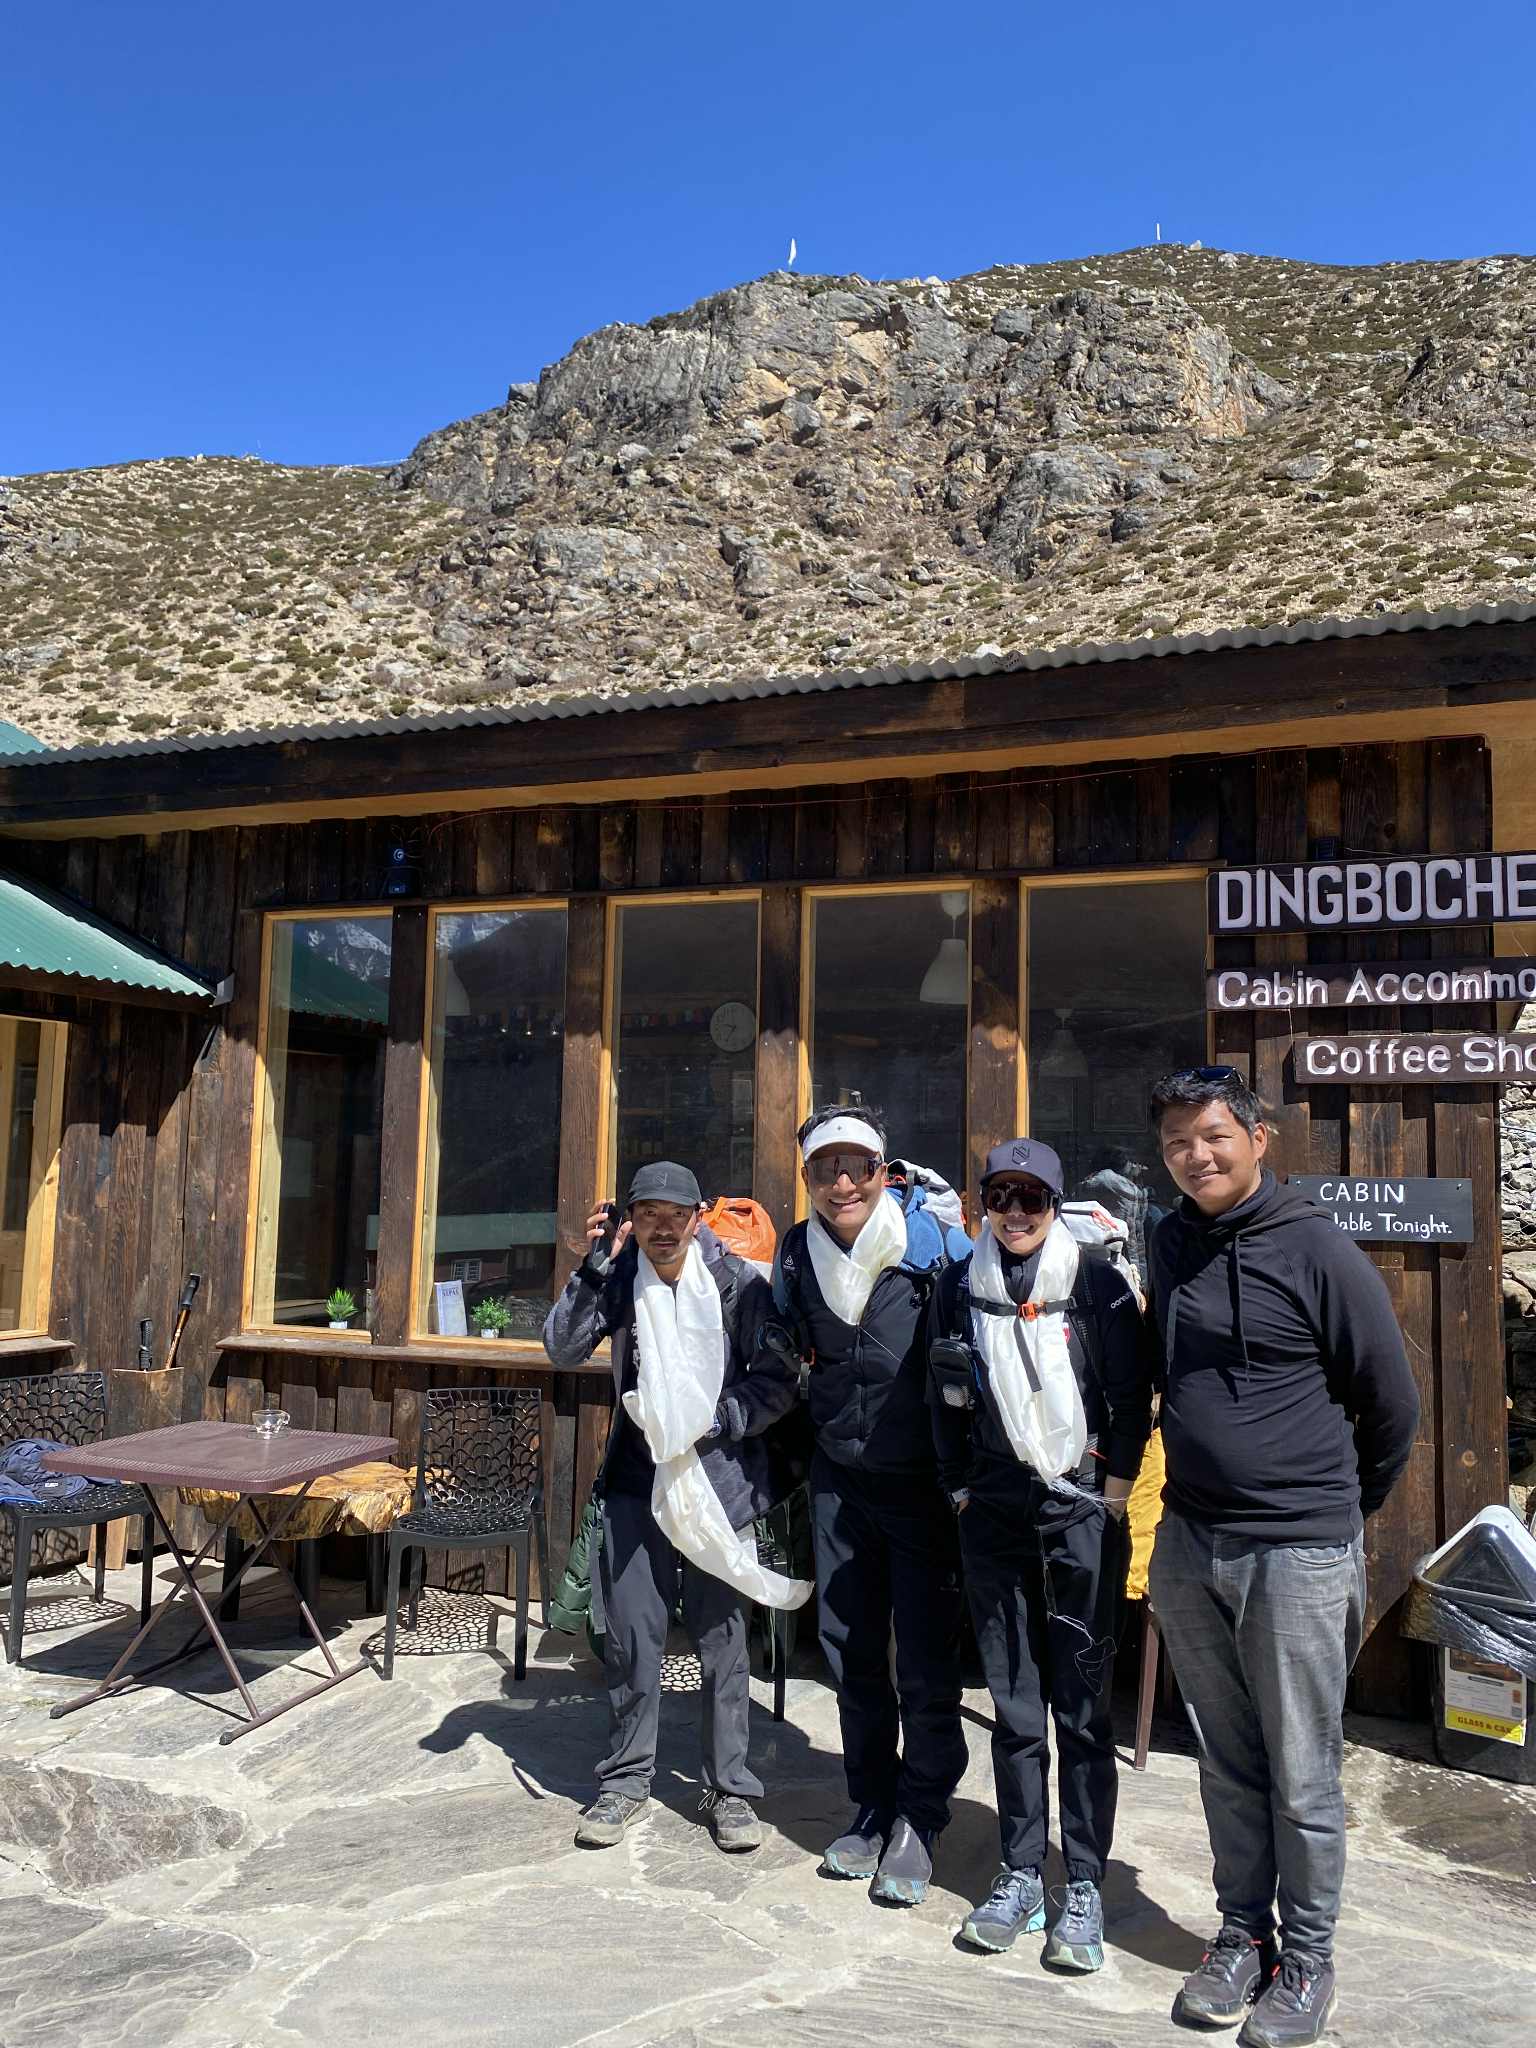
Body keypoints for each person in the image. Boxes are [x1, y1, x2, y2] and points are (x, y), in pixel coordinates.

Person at [1145, 1068, 1419, 2047]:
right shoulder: (1170, 1240)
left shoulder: (1316, 1249)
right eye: (1178, 1138)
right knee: (1227, 1760)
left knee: (1302, 1770)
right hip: (1190, 1539)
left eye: (1213, 1134)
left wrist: (1335, 1511)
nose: (1197, 1154)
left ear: (1259, 1137)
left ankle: (1306, 1960)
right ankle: (1240, 1935)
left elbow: (1391, 1404)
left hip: (1298, 1549)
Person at [928, 1137, 1154, 1967]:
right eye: (1002, 1197)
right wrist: (957, 1486)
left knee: (1083, 1710)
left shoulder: (1095, 1284)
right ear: (983, 1202)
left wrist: (1119, 1492)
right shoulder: (958, 1286)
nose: (1016, 1214)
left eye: (1033, 1199)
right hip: (991, 1508)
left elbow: (1133, 1396)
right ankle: (1021, 1869)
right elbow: (939, 1393)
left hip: (1079, 1508)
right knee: (1015, 1708)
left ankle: (1083, 1881)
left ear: (1056, 1206)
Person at [543, 1161, 809, 1854]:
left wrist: (716, 1419)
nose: (662, 1228)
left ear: (697, 1218)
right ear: (632, 1219)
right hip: (638, 1485)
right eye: (647, 1215)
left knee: (724, 1642)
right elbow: (562, 1348)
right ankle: (627, 1780)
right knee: (635, 1637)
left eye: (675, 1215)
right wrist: (592, 1266)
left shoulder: (740, 1286)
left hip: (719, 1487)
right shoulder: (620, 1279)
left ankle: (729, 1788)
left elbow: (778, 1382)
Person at [772, 1105, 967, 1906]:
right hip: (838, 1478)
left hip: (919, 1481)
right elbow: (778, 1353)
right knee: (850, 1648)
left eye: (857, 1167)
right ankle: (871, 1803)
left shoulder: (933, 1248)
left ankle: (922, 1812)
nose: (842, 1183)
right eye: (826, 1169)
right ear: (810, 1179)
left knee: (922, 1656)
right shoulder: (795, 1253)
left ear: (885, 1173)